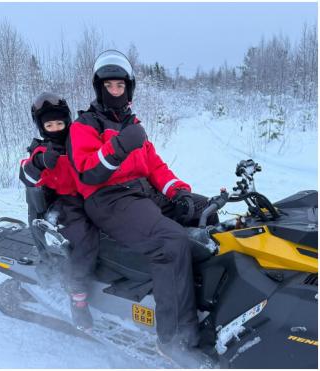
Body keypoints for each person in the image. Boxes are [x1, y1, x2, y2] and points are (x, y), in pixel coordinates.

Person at [67, 50, 217, 367]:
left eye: (120, 86)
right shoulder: (85, 125)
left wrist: (178, 192)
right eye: (109, 86)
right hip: (107, 198)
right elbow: (88, 172)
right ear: (99, 88)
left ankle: (206, 296)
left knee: (207, 211)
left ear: (128, 88)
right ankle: (174, 336)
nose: (114, 91)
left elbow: (155, 166)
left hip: (141, 192)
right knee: (170, 241)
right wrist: (119, 146)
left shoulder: (134, 124)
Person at [19, 92, 101, 331]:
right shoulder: (41, 150)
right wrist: (40, 163)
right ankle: (78, 296)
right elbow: (26, 175)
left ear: (68, 122)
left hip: (89, 196)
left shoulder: (77, 143)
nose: (55, 129)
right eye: (49, 125)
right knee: (86, 238)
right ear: (42, 127)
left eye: (60, 123)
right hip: (63, 204)